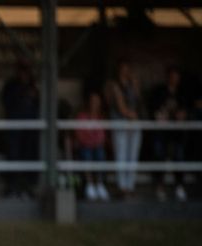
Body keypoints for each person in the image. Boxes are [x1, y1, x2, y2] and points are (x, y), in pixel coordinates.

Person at [147, 65, 188, 202]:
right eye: (172, 76)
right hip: (162, 133)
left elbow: (186, 111)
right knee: (159, 156)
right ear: (167, 77)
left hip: (177, 133)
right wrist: (163, 113)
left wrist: (182, 115)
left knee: (179, 157)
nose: (174, 79)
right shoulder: (159, 92)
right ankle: (159, 186)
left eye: (176, 76)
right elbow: (155, 112)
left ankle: (179, 186)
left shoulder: (182, 93)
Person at [1, 60, 40, 198]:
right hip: (14, 129)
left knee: (29, 157)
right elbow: (7, 105)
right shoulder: (11, 86)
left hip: (30, 130)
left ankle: (27, 188)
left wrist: (32, 94)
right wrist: (23, 94)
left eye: (27, 72)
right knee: (13, 157)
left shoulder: (33, 86)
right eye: (22, 71)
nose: (24, 75)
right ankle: (12, 187)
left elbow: (39, 105)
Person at [104, 59, 141, 197]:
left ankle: (130, 185)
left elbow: (137, 100)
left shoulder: (132, 84)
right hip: (120, 122)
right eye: (123, 68)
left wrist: (135, 83)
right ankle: (122, 186)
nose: (126, 71)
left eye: (128, 68)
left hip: (134, 124)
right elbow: (121, 107)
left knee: (132, 156)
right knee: (121, 155)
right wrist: (130, 114)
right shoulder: (113, 85)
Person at [73, 91, 109, 201]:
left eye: (97, 101)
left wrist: (95, 143)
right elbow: (79, 134)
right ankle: (90, 185)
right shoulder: (82, 116)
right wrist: (90, 142)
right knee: (87, 152)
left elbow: (102, 136)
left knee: (100, 153)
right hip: (85, 146)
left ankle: (99, 184)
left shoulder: (101, 117)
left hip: (97, 146)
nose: (95, 104)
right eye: (93, 101)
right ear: (88, 103)